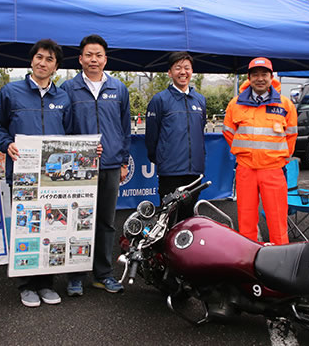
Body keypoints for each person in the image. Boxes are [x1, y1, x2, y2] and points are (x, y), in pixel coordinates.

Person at [0, 38, 71, 308]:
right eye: (39, 57)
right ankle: (27, 285)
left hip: (55, 178)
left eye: (49, 59)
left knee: (53, 227)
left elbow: (71, 136)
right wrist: (5, 143)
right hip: (23, 174)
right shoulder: (11, 92)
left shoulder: (63, 97)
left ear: (55, 67)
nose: (42, 63)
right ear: (31, 60)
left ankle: (46, 283)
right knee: (27, 228)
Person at [61, 34, 131, 296]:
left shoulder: (119, 88)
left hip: (111, 166)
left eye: (98, 55)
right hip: (79, 169)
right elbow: (63, 130)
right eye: (89, 55)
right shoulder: (68, 89)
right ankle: (75, 276)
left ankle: (103, 274)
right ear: (80, 59)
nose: (94, 59)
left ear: (105, 59)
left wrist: (123, 161)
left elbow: (125, 130)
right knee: (78, 222)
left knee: (106, 222)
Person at [223, 57, 297, 245]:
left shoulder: (285, 105)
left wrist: (278, 158)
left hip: (273, 170)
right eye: (255, 74)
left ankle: (282, 261)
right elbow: (228, 132)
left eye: (264, 74)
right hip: (245, 170)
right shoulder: (235, 104)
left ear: (271, 77)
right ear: (249, 78)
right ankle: (248, 261)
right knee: (246, 220)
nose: (260, 78)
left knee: (277, 220)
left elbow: (291, 136)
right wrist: (244, 152)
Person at [145, 51, 207, 220]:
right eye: (178, 68)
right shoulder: (160, 100)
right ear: (170, 72)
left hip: (194, 171)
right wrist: (161, 159)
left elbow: (200, 129)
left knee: (189, 218)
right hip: (170, 172)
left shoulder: (200, 100)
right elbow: (151, 137)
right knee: (168, 217)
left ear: (191, 71)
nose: (183, 72)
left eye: (186, 68)